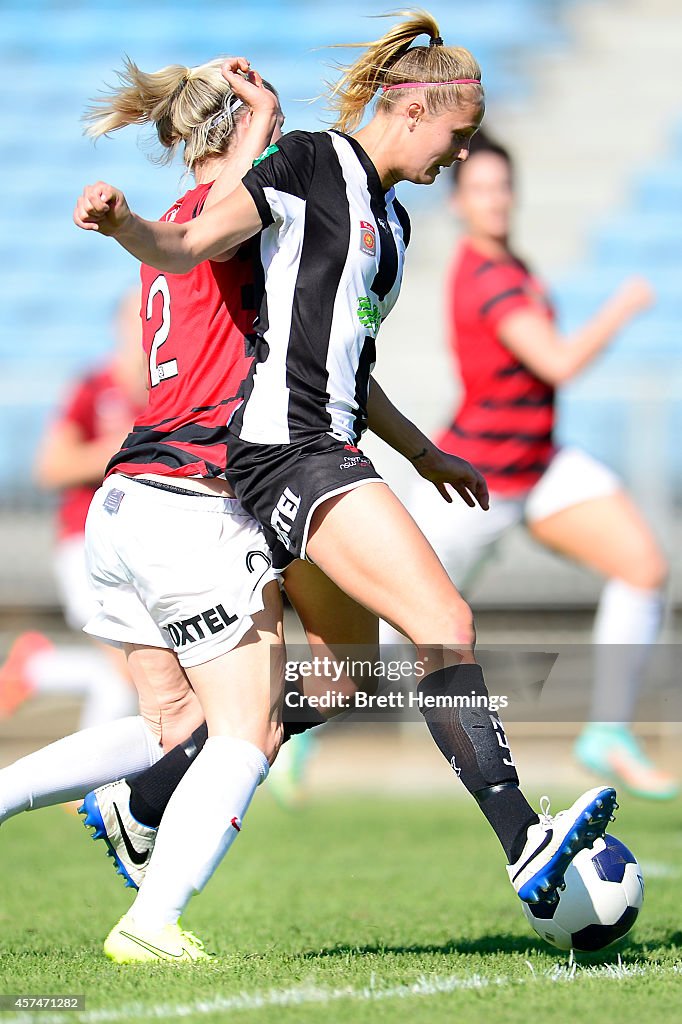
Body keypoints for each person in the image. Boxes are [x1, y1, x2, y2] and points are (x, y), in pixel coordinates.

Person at [75, 7, 617, 959]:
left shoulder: (394, 226)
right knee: (444, 620)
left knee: (336, 679)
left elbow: (350, 364)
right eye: (455, 134)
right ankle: (524, 841)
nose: (458, 156)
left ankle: (145, 798)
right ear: (412, 110)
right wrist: (127, 227)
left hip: (330, 445)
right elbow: (190, 247)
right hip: (286, 451)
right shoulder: (311, 163)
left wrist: (424, 451)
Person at [382, 130, 675, 800]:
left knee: (644, 568)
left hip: (538, 466)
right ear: (457, 202)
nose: (495, 200)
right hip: (476, 481)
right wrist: (622, 308)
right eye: (480, 189)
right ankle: (306, 727)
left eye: (503, 186)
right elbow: (559, 362)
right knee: (400, 618)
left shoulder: (510, 262)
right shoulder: (487, 277)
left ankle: (606, 733)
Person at [0, 292, 143, 732]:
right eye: (135, 317)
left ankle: (39, 669)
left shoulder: (172, 397)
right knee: (133, 669)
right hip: (85, 546)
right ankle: (94, 783)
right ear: (119, 325)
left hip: (143, 550)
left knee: (141, 672)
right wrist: (120, 451)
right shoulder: (94, 388)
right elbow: (50, 468)